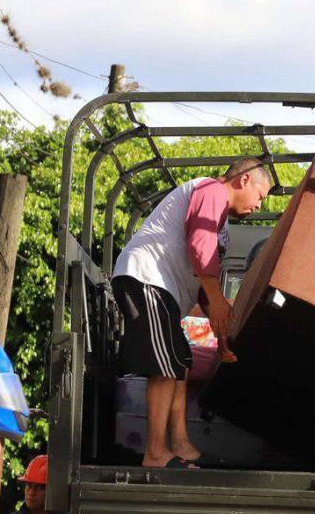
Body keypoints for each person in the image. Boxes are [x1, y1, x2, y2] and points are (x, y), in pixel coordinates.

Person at [112, 158, 272, 468]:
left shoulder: (222, 222)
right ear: (244, 179)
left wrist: (222, 335)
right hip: (146, 277)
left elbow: (203, 286)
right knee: (168, 362)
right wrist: (219, 300)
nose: (259, 204)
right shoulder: (211, 190)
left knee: (181, 361)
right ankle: (156, 452)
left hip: (165, 289)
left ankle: (181, 444)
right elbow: (201, 248)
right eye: (261, 194)